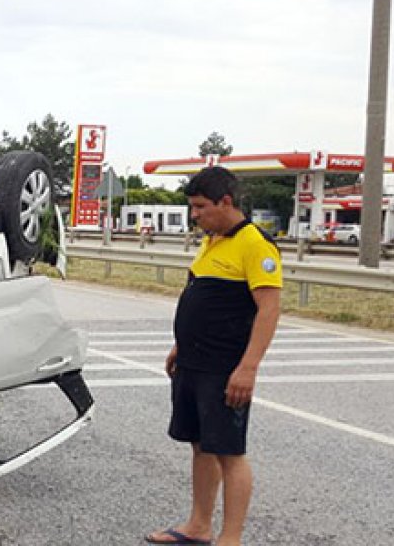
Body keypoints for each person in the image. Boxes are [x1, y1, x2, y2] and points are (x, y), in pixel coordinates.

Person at [147, 167, 282, 546]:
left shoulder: (256, 244)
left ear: (226, 202)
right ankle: (198, 525)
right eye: (192, 207)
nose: (195, 215)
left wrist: (248, 367)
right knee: (201, 445)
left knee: (229, 451)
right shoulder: (214, 240)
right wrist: (180, 345)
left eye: (200, 207)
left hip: (225, 367)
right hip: (194, 361)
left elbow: (269, 309)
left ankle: (231, 537)